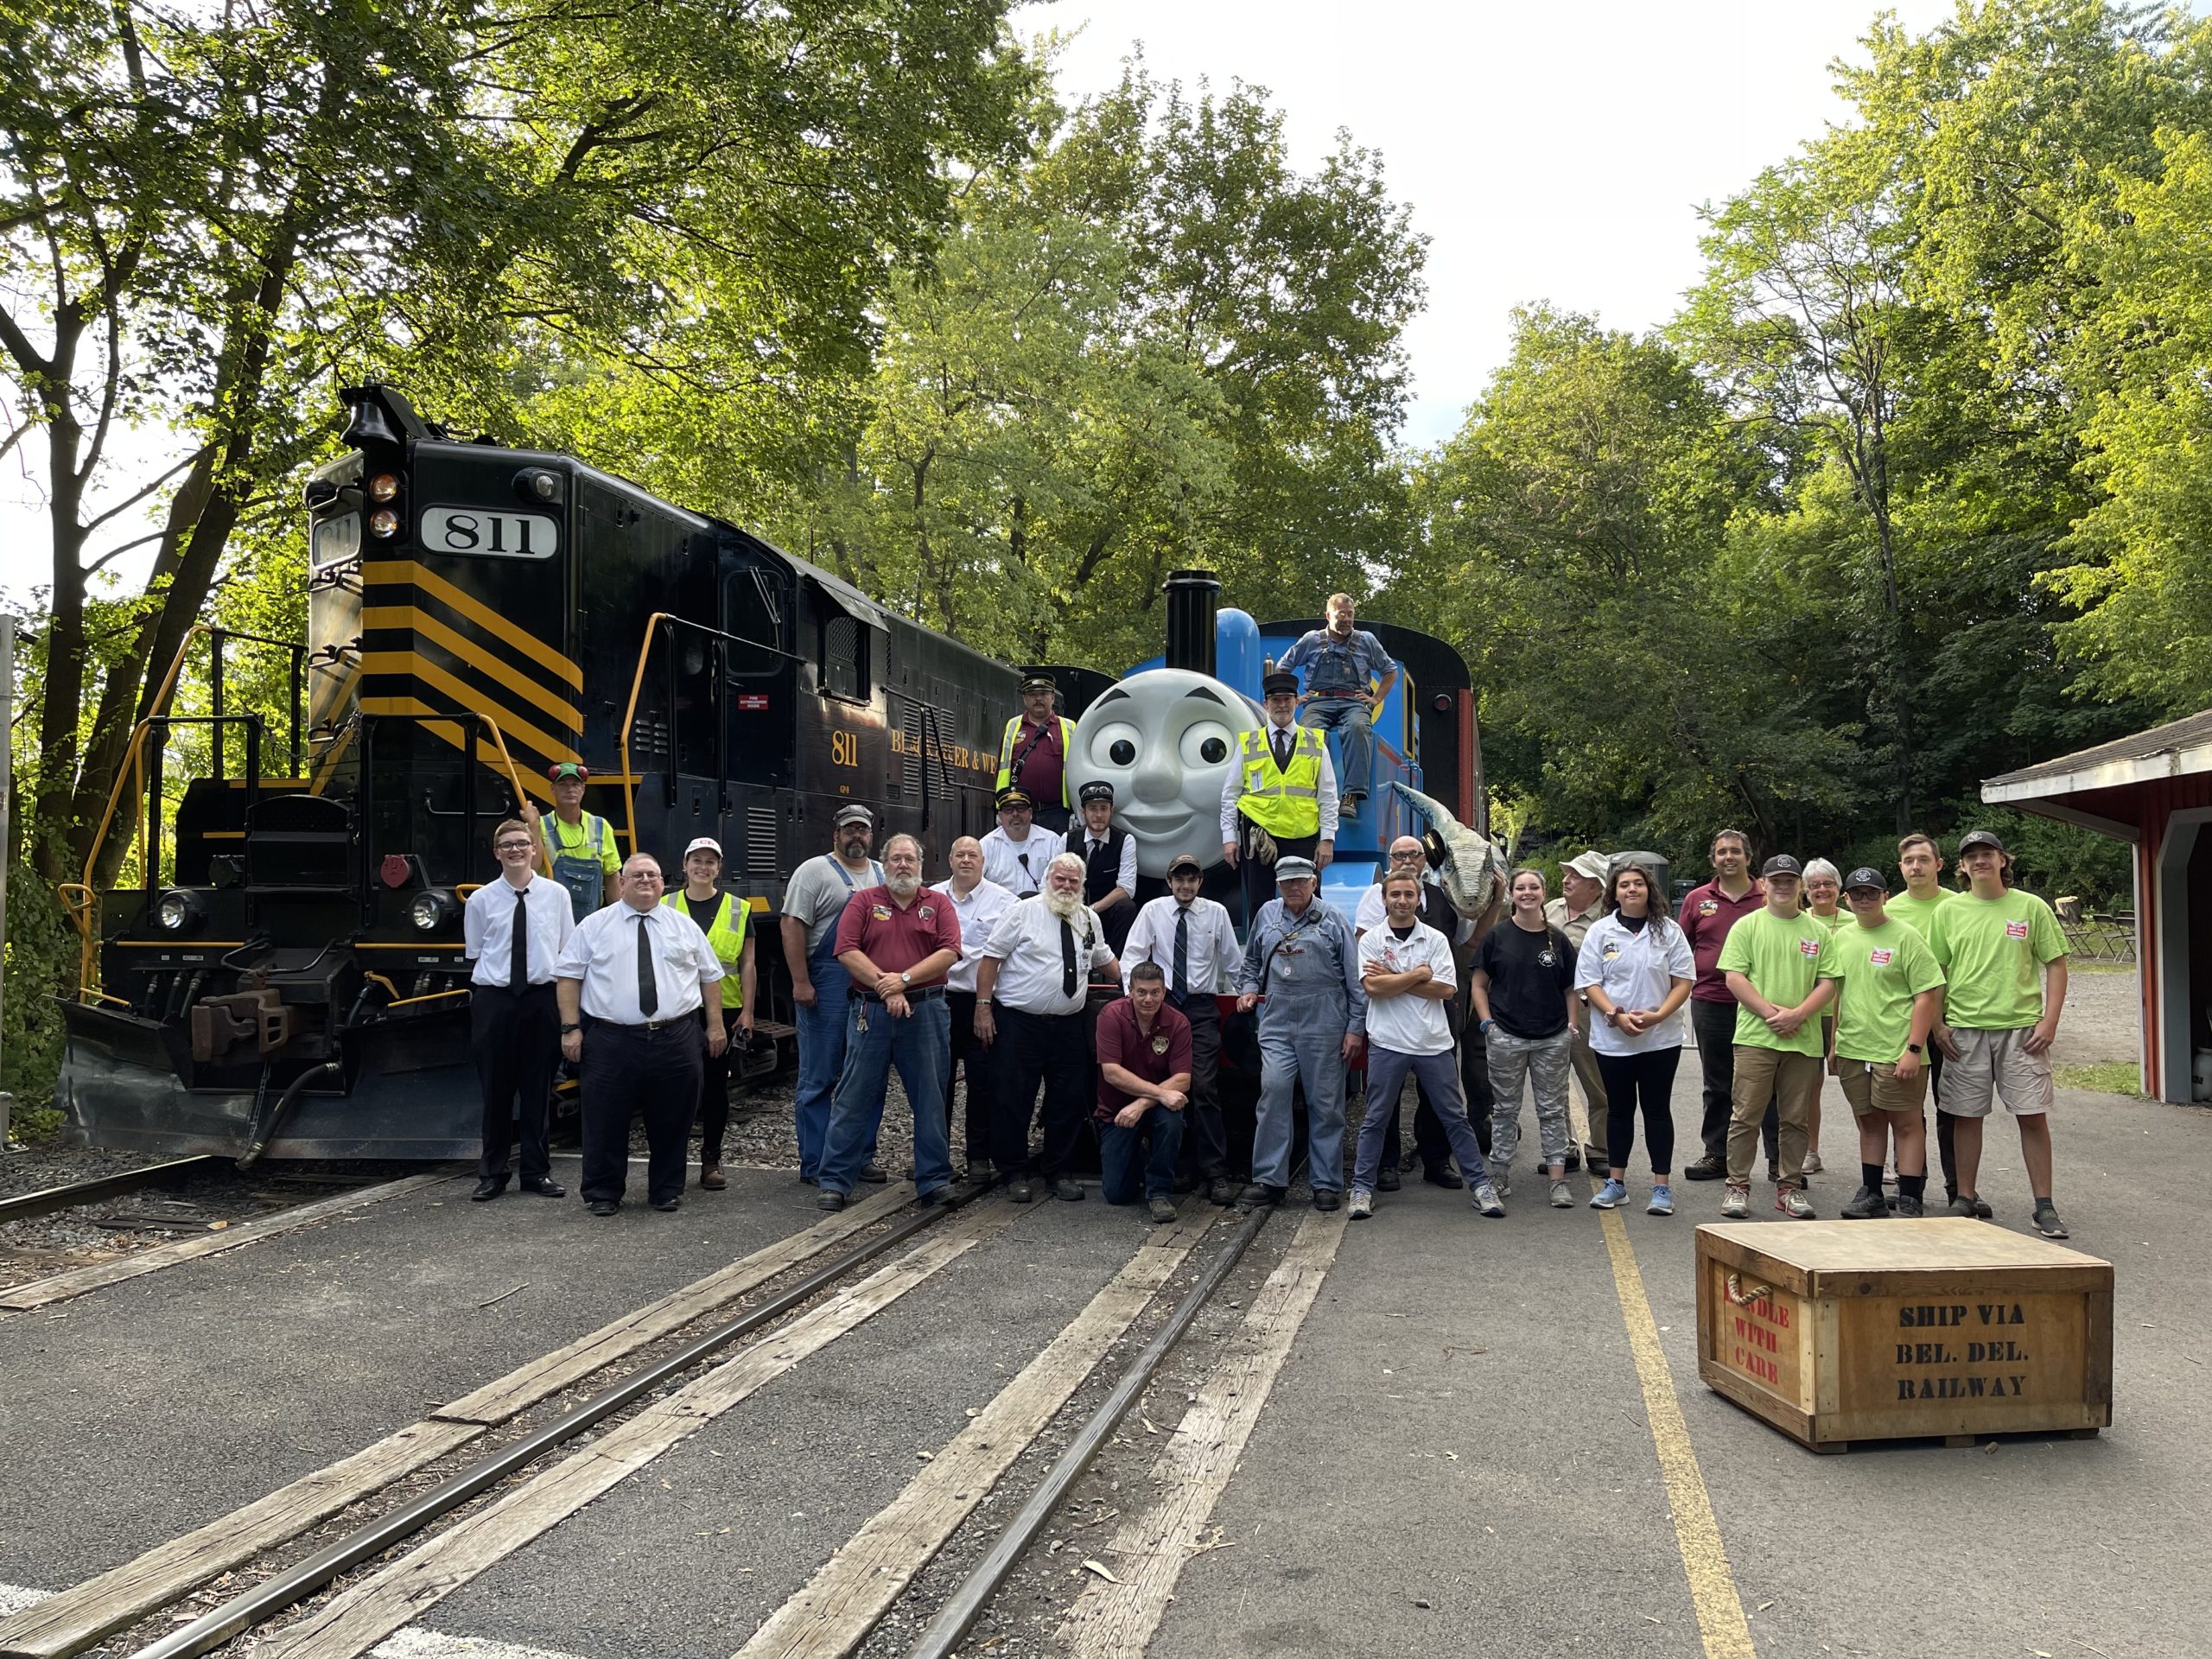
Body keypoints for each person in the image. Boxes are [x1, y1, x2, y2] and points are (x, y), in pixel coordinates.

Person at [555, 853, 726, 1216]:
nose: (645, 880)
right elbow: (568, 976)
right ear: (621, 884)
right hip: (611, 1038)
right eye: (636, 875)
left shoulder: (684, 926)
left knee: (674, 1119)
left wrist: (715, 1025)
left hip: (675, 1036)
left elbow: (710, 977)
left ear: (663, 883)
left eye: (652, 874)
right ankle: (603, 1192)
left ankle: (665, 1190)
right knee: (604, 1119)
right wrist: (570, 1029)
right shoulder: (594, 925)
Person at [1927, 830, 2072, 1238]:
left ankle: (2044, 1205)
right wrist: (1937, 1024)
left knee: (2032, 1116)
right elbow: (1934, 973)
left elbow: (2056, 964)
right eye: (1971, 856)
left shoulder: (2030, 906)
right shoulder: (1949, 912)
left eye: (1987, 853)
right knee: (1966, 1117)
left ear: (2002, 860)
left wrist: (2050, 1021)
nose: (1980, 861)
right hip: (1965, 1030)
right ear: (1961, 866)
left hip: (2021, 1030)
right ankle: (1965, 1199)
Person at [817, 834, 962, 1212]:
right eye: (895, 859)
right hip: (871, 1011)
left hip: (926, 1011)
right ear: (885, 865)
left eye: (909, 859)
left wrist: (905, 980)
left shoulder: (939, 903)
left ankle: (933, 1181)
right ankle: (834, 1181)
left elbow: (949, 952)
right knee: (853, 1096)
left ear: (921, 865)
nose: (902, 865)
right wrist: (888, 987)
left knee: (930, 1098)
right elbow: (846, 950)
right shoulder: (863, 901)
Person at [1349, 871, 1500, 1219]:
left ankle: (1480, 1185)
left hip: (1432, 1043)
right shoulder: (1372, 938)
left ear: (1418, 899)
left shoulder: (1434, 939)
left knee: (1454, 1118)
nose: (1402, 900)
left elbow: (1446, 990)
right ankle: (1361, 1189)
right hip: (1387, 1042)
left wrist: (1392, 977)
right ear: (1384, 899)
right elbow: (1372, 989)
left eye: (1408, 895)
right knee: (1375, 1118)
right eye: (1395, 895)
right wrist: (1417, 975)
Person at [976, 852, 1118, 1202]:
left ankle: (1059, 1171)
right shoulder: (1022, 912)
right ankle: (1013, 1172)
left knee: (1067, 1100)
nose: (1066, 886)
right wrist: (982, 1008)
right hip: (1019, 1023)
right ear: (1047, 879)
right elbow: (991, 958)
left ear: (1081, 886)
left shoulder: (1088, 919)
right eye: (1060, 879)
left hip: (1069, 1025)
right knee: (1013, 1098)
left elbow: (1103, 958)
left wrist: (1136, 985)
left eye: (1073, 881)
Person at [1236, 856, 1363, 1211]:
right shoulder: (1266, 915)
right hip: (1277, 1019)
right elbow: (1250, 965)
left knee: (1325, 1103)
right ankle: (1269, 1178)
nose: (1293, 887)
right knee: (1273, 1092)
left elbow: (1354, 978)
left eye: (1300, 881)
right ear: (1277, 885)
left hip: (1325, 1019)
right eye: (1286, 882)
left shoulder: (1334, 918)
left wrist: (1355, 1028)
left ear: (1313, 882)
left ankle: (1325, 1183)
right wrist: (1248, 989)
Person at [461, 817, 575, 1202]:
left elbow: (566, 950)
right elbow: (476, 951)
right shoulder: (479, 901)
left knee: (537, 1089)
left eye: (522, 843)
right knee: (495, 1090)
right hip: (495, 1000)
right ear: (497, 853)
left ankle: (536, 1172)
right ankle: (492, 1173)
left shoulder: (557, 895)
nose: (515, 850)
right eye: (507, 845)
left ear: (534, 850)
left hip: (541, 999)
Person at [1715, 855, 1835, 1219]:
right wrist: (1772, 1014)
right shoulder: (1747, 926)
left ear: (1800, 885)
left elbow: (1828, 982)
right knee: (1745, 1115)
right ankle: (1737, 1186)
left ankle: (1789, 1187)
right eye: (1775, 880)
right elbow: (1734, 977)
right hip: (1756, 1036)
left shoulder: (1818, 932)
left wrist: (1798, 1014)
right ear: (1763, 885)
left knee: (1795, 1118)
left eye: (1790, 880)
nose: (1783, 886)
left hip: (1802, 1037)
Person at [1821, 868, 1943, 1221]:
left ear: (1885, 896)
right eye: (1857, 894)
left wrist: (1915, 1048)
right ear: (1847, 899)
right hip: (1854, 1047)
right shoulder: (1841, 939)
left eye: (1871, 893)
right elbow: (1837, 998)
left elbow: (1926, 995)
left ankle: (1908, 1195)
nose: (1864, 900)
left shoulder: (1906, 936)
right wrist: (1833, 1046)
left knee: (1906, 1123)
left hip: (1896, 1049)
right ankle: (1872, 1191)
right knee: (1869, 1122)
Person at [1121, 850, 1243, 1205]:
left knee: (1203, 1086)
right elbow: (1133, 956)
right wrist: (1132, 1002)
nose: (1185, 885)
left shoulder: (1216, 913)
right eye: (1179, 879)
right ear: (1169, 882)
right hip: (1162, 1006)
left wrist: (1246, 1003)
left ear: (1200, 883)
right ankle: (1178, 1166)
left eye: (1192, 879)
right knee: (1164, 1089)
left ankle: (1215, 1171)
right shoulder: (1152, 911)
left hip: (1201, 1007)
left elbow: (1232, 963)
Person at [1575, 858, 1695, 1213]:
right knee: (1619, 1110)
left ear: (1649, 890)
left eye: (1638, 884)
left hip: (1661, 1039)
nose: (1632, 889)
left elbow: (1683, 981)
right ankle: (1617, 1183)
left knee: (1657, 1110)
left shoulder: (1668, 930)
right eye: (1624, 884)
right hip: (1614, 1039)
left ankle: (1661, 1187)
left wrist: (1658, 1016)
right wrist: (1614, 1014)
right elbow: (1589, 982)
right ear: (1614, 892)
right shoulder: (1601, 932)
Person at [779, 806, 885, 1186]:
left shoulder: (880, 873)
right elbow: (791, 925)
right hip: (826, 979)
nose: (856, 836)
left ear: (871, 837)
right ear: (835, 835)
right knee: (819, 1076)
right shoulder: (814, 872)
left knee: (866, 1074)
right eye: (849, 830)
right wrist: (801, 981)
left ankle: (859, 1157)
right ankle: (815, 1161)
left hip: (869, 981)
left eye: (863, 830)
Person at [1473, 867, 1578, 1209]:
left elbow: (1570, 988)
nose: (1527, 893)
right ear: (1512, 894)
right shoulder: (1497, 936)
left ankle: (1558, 1180)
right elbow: (1478, 984)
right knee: (1504, 1110)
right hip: (1507, 1036)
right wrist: (1488, 1024)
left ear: (1543, 893)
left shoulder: (1557, 939)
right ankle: (1499, 1175)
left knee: (1552, 1110)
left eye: (1534, 887)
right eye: (1521, 888)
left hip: (1552, 1037)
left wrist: (1571, 1027)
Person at [1679, 830, 1777, 1181]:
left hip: (1762, 1005)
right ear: (1713, 860)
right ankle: (1717, 1154)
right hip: (1711, 1002)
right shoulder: (1696, 899)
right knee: (1717, 1083)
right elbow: (1681, 949)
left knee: (1769, 1085)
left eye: (1736, 851)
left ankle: (1778, 1161)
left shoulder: (1767, 896)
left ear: (1749, 858)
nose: (1729, 857)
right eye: (1722, 852)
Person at [664, 836, 756, 1190]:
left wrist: (747, 1012)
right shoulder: (664, 904)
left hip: (725, 1008)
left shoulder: (738, 908)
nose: (703, 867)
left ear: (719, 868)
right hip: (678, 1008)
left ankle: (711, 1159)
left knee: (716, 1086)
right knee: (675, 1087)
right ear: (685, 865)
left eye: (710, 862)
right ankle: (671, 1161)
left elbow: (748, 964)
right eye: (696, 861)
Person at [1222, 669, 1338, 918]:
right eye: (1275, 700)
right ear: (1266, 704)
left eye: (1287, 699)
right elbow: (1230, 794)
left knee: (1309, 902)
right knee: (1258, 904)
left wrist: (1327, 839)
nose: (1282, 705)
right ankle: (1261, 956)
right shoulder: (1249, 743)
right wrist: (1229, 838)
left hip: (1303, 835)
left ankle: (1312, 953)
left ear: (1297, 701)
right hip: (1259, 834)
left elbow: (1327, 795)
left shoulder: (1316, 742)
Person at [1891, 833, 1967, 1208]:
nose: (1916, 866)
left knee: (1953, 1108)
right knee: (1905, 1110)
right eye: (1909, 861)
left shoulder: (1959, 905)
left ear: (1939, 865)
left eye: (1923, 859)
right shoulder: (1890, 911)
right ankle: (1910, 1187)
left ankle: (1960, 1190)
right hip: (1901, 1025)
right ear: (1901, 867)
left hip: (1953, 1023)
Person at [1276, 593, 1397, 806]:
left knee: (1358, 728)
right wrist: (1294, 697)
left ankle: (1352, 795)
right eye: (1342, 614)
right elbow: (1283, 667)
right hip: (1318, 703)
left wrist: (1375, 699)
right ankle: (1306, 791)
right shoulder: (1311, 640)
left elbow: (1390, 671)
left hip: (1354, 703)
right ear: (1328, 615)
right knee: (1307, 732)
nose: (1348, 619)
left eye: (1351, 615)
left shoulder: (1366, 640)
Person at [1095, 963, 1193, 1224]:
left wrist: (1142, 1103)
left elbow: (1183, 1079)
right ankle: (1139, 1157)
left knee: (1172, 1119)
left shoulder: (1178, 1022)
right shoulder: (1111, 1015)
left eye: (1155, 992)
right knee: (1117, 1194)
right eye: (1141, 992)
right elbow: (1112, 1073)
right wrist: (1157, 1094)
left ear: (1164, 992)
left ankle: (1159, 1191)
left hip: (1155, 1108)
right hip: (1117, 1110)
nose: (1148, 999)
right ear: (1130, 991)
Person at [943, 836, 1015, 1180]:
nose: (966, 860)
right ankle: (934, 1157)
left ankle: (978, 1157)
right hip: (938, 1001)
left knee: (981, 1082)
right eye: (960, 854)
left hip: (979, 1003)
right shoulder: (931, 896)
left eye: (973, 855)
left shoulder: (1004, 901)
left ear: (983, 862)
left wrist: (986, 1004)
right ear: (950, 860)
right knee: (936, 1083)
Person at [1547, 850, 1611, 1172]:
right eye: (1567, 873)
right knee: (1552, 1084)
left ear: (1597, 887)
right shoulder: (1550, 911)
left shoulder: (1609, 921)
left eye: (1576, 876)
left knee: (1596, 1082)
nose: (1566, 880)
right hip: (1548, 1010)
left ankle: (1600, 1148)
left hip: (1589, 1010)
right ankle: (1563, 1149)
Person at [1800, 857, 1848, 1177]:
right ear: (1804, 890)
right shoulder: (1797, 921)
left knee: (1859, 1087)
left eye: (1828, 884)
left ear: (1839, 888)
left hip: (1846, 1015)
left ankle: (1879, 1159)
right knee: (1808, 1087)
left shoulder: (1855, 923)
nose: (1821, 890)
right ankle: (1810, 1151)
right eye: (1814, 885)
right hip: (1808, 1016)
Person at [525, 761, 619, 922]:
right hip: (548, 923)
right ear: (552, 789)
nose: (569, 789)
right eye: (562, 784)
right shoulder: (538, 826)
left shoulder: (600, 826)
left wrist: (619, 919)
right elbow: (531, 869)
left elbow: (611, 876)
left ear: (583, 789)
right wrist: (533, 826)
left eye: (575, 784)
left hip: (589, 924)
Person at [995, 674, 1077, 834]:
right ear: (1025, 699)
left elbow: (1078, 772)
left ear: (1052, 698)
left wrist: (1076, 810)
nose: (1038, 699)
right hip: (1018, 812)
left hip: (1058, 813)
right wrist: (1001, 807)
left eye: (1044, 694)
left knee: (1058, 860)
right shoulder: (1013, 727)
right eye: (1033, 695)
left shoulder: (1069, 728)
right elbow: (1002, 769)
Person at [1074, 779, 1139, 954]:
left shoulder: (1125, 841)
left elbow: (1126, 888)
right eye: (1093, 809)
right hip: (1072, 912)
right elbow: (1052, 881)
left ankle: (1115, 971)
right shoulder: (1067, 839)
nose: (1098, 815)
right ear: (1083, 812)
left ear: (1112, 811)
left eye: (1104, 808)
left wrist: (1092, 910)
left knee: (1127, 907)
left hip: (1106, 912)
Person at [981, 786, 1066, 899]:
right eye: (1008, 809)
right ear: (1000, 816)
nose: (1015, 814)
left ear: (1030, 813)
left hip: (1040, 911)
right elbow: (974, 884)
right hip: (999, 913)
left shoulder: (1051, 841)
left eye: (1020, 808)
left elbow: (1063, 882)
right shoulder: (987, 845)